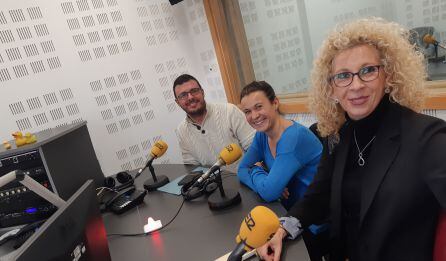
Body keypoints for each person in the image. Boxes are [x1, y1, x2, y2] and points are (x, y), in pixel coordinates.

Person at [257, 17, 446, 261]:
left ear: (388, 76)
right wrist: (282, 230)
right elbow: (319, 195)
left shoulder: (428, 137)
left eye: (368, 70)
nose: (355, 85)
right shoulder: (339, 135)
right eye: (343, 76)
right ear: (332, 88)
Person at [237, 81, 322, 210]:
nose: (254, 116)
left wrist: (255, 170)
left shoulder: (292, 138)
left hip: (312, 220)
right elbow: (242, 169)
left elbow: (269, 193)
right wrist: (268, 182)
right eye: (247, 111)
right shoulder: (262, 135)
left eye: (259, 107)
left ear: (275, 103)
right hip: (286, 209)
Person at [174, 74, 255, 172]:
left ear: (202, 92)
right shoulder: (181, 131)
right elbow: (192, 168)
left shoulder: (229, 111)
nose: (190, 97)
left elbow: (254, 148)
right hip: (212, 186)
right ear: (178, 102)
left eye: (194, 91)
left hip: (245, 179)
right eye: (183, 95)